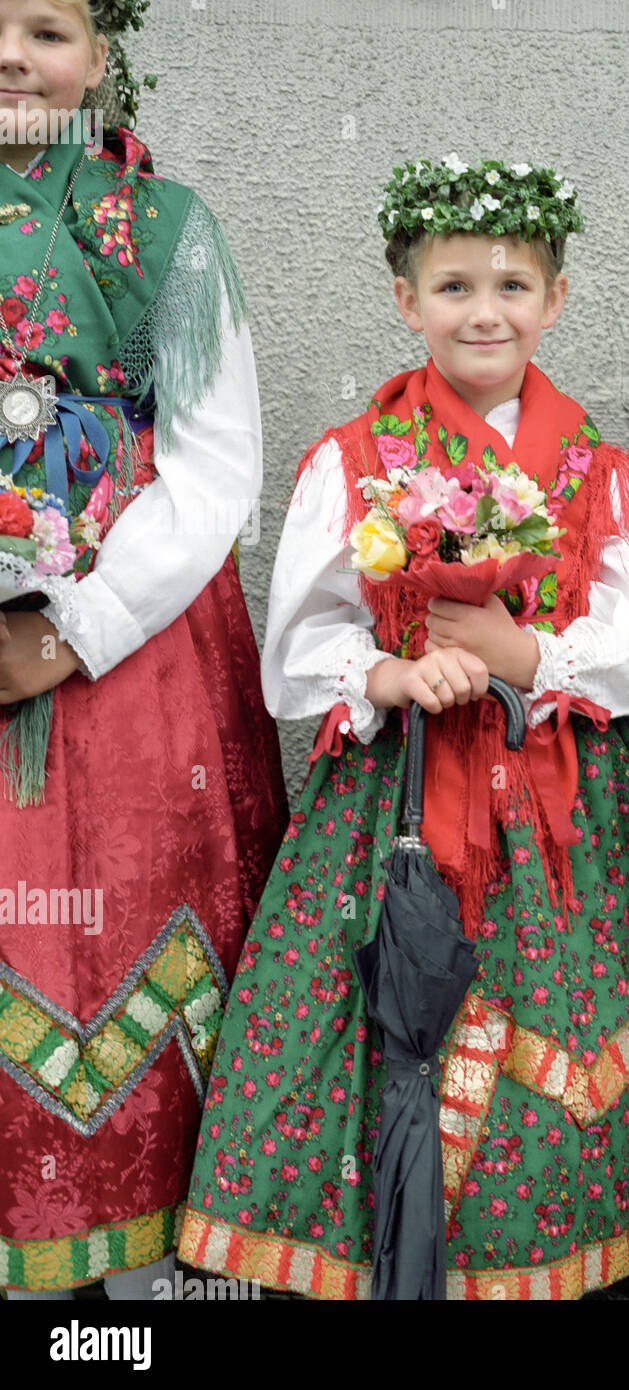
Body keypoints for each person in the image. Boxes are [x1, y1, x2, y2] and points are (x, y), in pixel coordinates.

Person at [178, 155, 629, 1299]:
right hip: (392, 811)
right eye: (452, 286)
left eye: (511, 284)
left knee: (555, 1042)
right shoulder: (353, 463)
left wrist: (528, 658)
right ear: (405, 301)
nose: (484, 309)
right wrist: (390, 676)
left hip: (556, 815)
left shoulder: (599, 477)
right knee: (370, 1033)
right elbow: (293, 660)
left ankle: (524, 1266)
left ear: (556, 299)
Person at [0, 0, 286, 1300]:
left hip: (133, 658)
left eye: (46, 26)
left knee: (132, 949)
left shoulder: (166, 231)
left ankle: (139, 1292)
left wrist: (71, 627)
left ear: (100, 57)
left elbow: (218, 461)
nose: (13, 55)